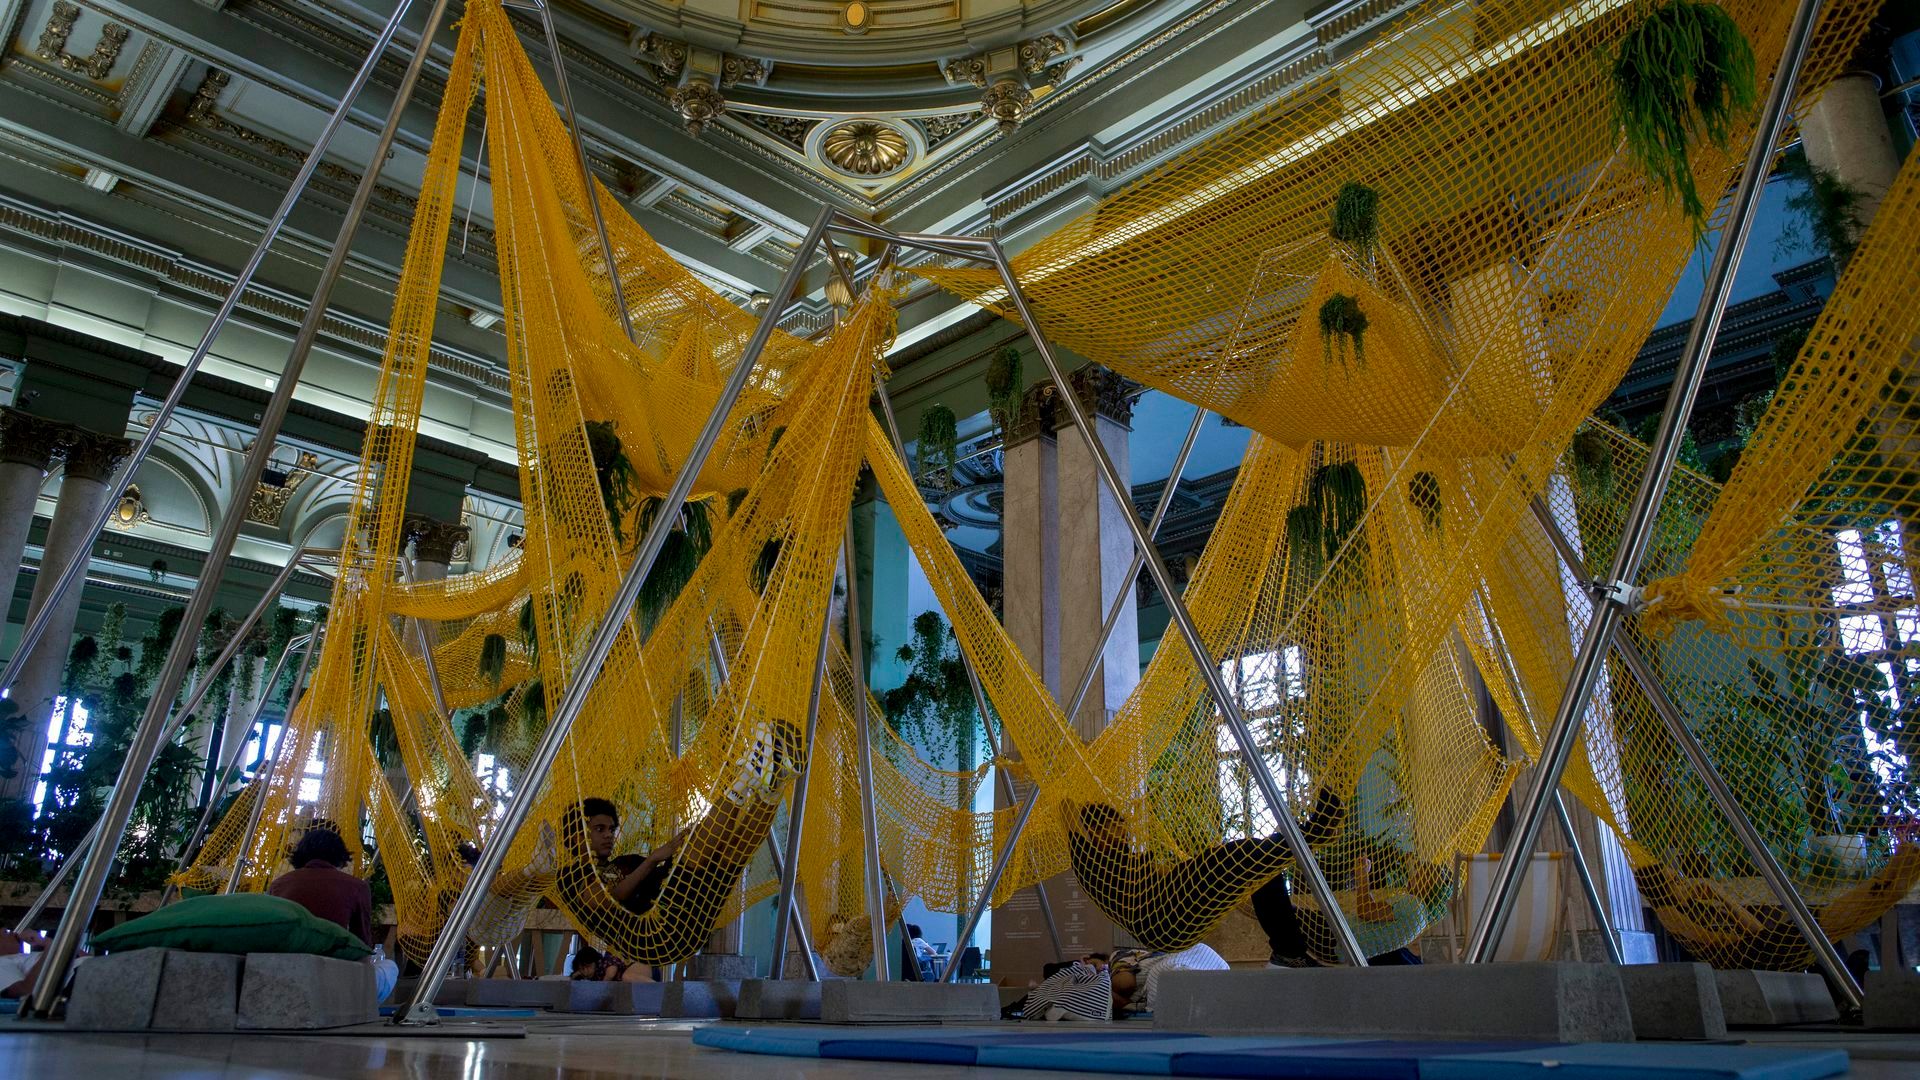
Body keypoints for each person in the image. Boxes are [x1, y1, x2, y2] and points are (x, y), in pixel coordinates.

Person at [550, 716, 800, 968]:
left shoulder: (620, 862)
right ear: (575, 836)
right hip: (654, 930)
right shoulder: (569, 875)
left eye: (611, 829)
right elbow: (603, 898)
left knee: (730, 855)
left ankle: (774, 786)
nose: (608, 835)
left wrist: (669, 852)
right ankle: (748, 775)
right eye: (599, 829)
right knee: (694, 852)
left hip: (687, 924)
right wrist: (652, 859)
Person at [267, 828, 398, 1002]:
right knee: (389, 967)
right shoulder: (356, 886)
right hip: (334, 977)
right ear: (340, 856)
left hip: (285, 974)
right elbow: (362, 943)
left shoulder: (278, 885)